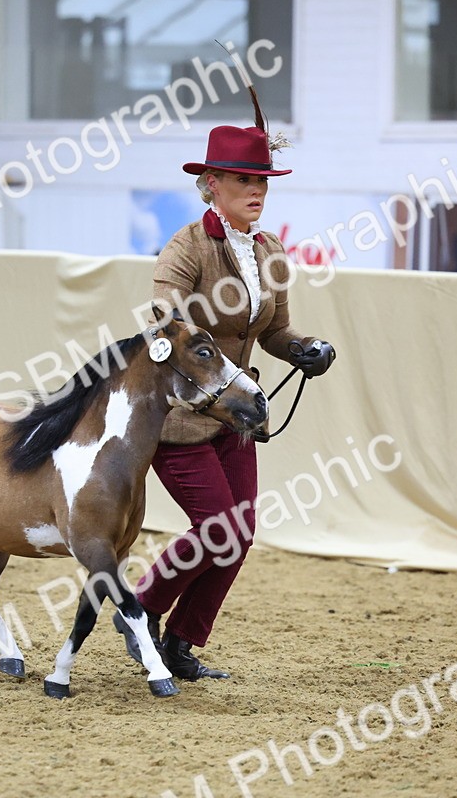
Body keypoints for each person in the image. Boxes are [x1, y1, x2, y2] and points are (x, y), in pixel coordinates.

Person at [114, 91, 335, 681]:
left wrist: (306, 349)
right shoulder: (186, 247)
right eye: (243, 179)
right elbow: (162, 321)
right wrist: (199, 356)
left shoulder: (271, 251)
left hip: (238, 415)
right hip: (182, 416)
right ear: (211, 183)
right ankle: (140, 607)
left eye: (262, 180)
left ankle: (182, 642)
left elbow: (277, 332)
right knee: (218, 526)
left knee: (239, 535)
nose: (257, 191)